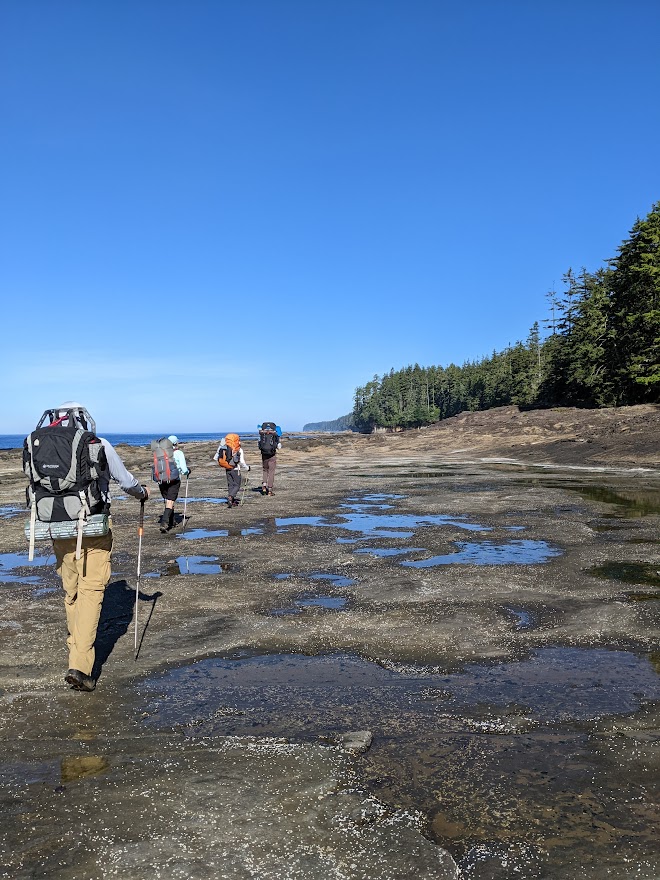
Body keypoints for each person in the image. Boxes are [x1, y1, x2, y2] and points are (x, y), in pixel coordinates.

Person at [24, 403, 149, 693]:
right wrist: (142, 492)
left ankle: (76, 649)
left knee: (72, 592)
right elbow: (125, 480)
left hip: (59, 529)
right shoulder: (97, 443)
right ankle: (80, 665)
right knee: (91, 591)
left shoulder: (41, 445)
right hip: (92, 527)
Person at [154, 435, 190, 533]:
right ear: (176, 443)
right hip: (174, 480)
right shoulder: (178, 453)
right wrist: (187, 472)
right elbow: (184, 469)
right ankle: (164, 524)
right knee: (170, 501)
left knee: (168, 500)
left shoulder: (160, 453)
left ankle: (172, 521)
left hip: (162, 479)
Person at [214, 433, 250, 507]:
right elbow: (242, 461)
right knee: (237, 485)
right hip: (235, 469)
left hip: (227, 468)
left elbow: (218, 457)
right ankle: (231, 497)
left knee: (230, 484)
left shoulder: (224, 447)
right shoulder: (238, 449)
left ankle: (231, 500)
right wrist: (247, 468)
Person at [257, 422, 282, 496]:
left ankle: (264, 486)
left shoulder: (262, 434)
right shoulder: (275, 434)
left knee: (265, 470)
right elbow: (279, 446)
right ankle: (270, 490)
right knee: (271, 471)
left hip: (264, 454)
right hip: (272, 454)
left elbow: (259, 445)